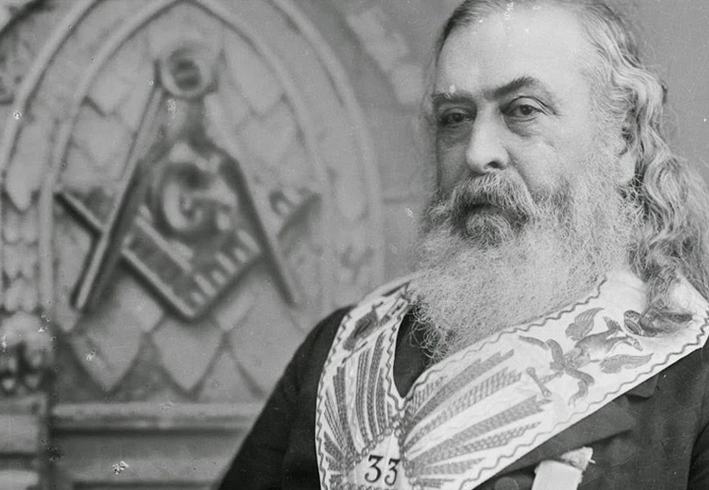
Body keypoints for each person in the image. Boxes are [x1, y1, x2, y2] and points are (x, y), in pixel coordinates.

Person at [217, 1, 709, 489]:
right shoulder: (337, 351)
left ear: (623, 141)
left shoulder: (694, 377)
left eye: (523, 110)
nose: (477, 152)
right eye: (454, 118)